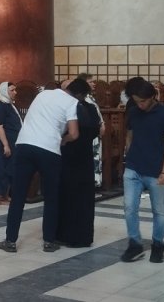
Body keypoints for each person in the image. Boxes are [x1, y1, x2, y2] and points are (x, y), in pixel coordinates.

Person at [0, 80, 82, 254]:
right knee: (51, 197)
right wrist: (63, 140)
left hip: (25, 145)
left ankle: (10, 241)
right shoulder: (72, 102)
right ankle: (48, 242)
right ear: (78, 94)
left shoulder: (43, 94)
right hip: (49, 150)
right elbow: (74, 134)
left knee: (18, 196)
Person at [119, 79, 164, 263]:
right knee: (129, 207)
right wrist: (128, 155)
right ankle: (135, 245)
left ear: (152, 96)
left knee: (159, 211)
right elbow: (130, 135)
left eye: (143, 101)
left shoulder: (163, 113)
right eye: (137, 101)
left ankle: (158, 245)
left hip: (156, 170)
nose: (140, 105)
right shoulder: (133, 112)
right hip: (133, 168)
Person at [57, 79, 101, 248]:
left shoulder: (69, 107)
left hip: (68, 155)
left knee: (67, 195)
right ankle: (83, 236)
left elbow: (64, 130)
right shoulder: (90, 108)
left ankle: (64, 234)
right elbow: (96, 130)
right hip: (85, 156)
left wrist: (64, 140)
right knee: (84, 198)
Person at [0, 82, 22, 205]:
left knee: (10, 168)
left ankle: (6, 195)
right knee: (0, 168)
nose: (15, 92)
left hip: (12, 142)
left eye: (15, 90)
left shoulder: (9, 105)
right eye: (12, 90)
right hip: (2, 143)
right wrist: (6, 145)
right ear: (4, 91)